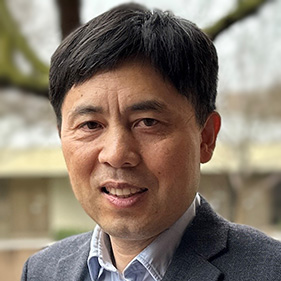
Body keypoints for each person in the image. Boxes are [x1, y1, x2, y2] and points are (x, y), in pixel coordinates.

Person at [21, 3, 281, 281]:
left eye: (147, 122)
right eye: (91, 125)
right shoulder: (42, 271)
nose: (117, 154)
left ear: (206, 137)